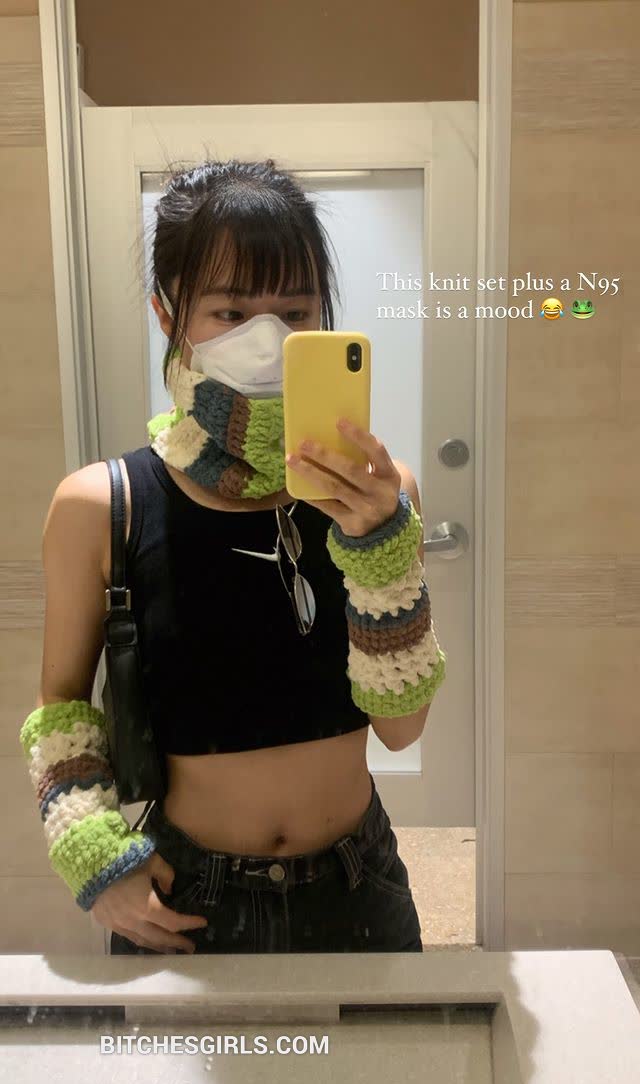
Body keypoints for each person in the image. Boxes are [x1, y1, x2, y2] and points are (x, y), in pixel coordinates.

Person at [18, 158, 446, 955]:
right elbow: (62, 707)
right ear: (166, 312)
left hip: (358, 882)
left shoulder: (381, 496)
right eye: (231, 311)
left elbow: (402, 727)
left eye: (295, 310)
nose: (267, 337)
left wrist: (380, 549)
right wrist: (94, 858)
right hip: (188, 895)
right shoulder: (102, 505)